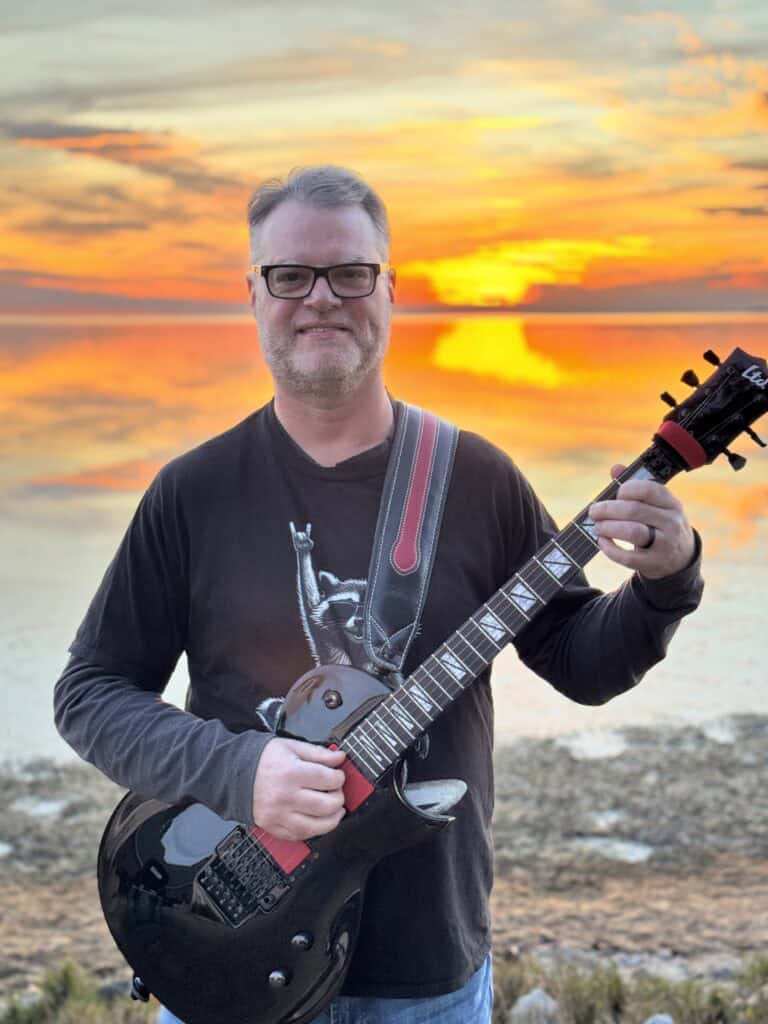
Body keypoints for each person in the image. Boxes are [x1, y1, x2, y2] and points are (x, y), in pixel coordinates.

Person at [54, 165, 703, 1024]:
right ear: (254, 294)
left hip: (426, 970)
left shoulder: (477, 480)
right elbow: (91, 694)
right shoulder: (193, 492)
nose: (321, 297)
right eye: (290, 275)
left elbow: (582, 661)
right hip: (223, 944)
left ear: (390, 289)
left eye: (350, 273)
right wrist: (241, 771)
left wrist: (665, 583)